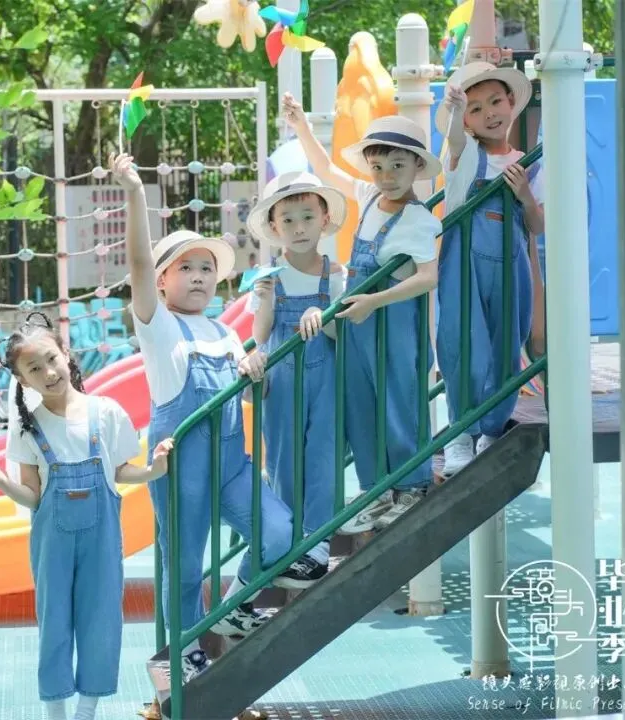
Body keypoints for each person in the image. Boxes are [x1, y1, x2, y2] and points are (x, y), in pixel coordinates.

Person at [111, 152, 327, 682]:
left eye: (206, 268)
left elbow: (253, 393)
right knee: (185, 564)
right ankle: (182, 649)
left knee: (280, 532)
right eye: (185, 268)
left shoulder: (225, 332)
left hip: (232, 464)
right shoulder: (159, 328)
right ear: (162, 281)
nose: (199, 277)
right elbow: (137, 264)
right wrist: (135, 193)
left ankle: (235, 604)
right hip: (181, 468)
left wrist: (253, 368)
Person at [0, 312, 174, 720]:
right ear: (22, 380)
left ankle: (86, 711)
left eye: (51, 359)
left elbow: (120, 471)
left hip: (102, 541)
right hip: (52, 542)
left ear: (66, 354)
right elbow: (32, 496)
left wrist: (154, 470)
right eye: (34, 369)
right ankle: (55, 712)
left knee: (101, 619)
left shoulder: (107, 412)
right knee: (54, 622)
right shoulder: (27, 429)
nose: (48, 372)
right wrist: (0, 482)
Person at [282, 94, 441, 532]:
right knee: (360, 406)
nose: (386, 177)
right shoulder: (369, 196)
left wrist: (374, 300)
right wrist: (302, 127)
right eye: (378, 167)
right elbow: (327, 171)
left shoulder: (418, 219)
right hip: (358, 325)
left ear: (416, 167)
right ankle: (377, 489)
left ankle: (411, 485)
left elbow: (428, 277)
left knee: (398, 402)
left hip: (394, 325)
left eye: (397, 166)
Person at [436, 61, 544, 475]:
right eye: (475, 109)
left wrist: (524, 195)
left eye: (495, 102)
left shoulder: (529, 162)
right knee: (464, 345)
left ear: (511, 102)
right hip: (464, 264)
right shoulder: (466, 156)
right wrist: (453, 113)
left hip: (510, 265)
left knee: (505, 346)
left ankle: (492, 429)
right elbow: (454, 142)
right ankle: (461, 433)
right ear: (466, 121)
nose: (489, 114)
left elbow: (537, 225)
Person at [244, 171, 348, 566]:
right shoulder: (268, 277)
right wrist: (265, 300)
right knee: (282, 458)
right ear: (274, 227)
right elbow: (260, 334)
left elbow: (343, 333)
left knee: (323, 455)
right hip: (282, 383)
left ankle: (318, 538)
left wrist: (323, 315)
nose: (299, 228)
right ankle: (287, 538)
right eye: (287, 220)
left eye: (307, 217)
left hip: (326, 380)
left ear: (324, 219)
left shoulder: (337, 275)